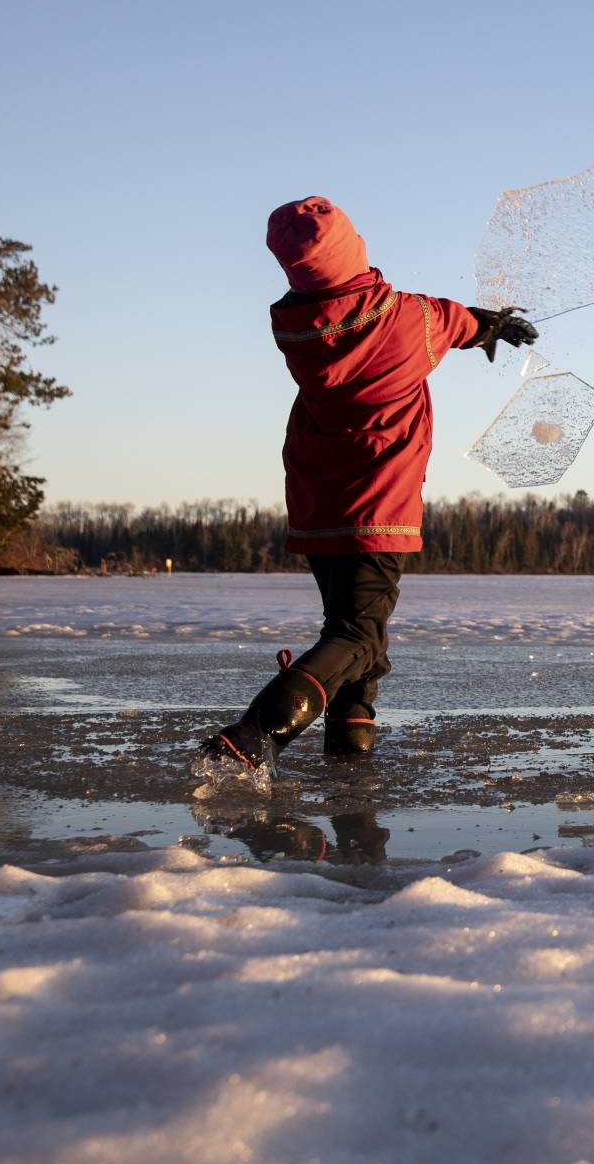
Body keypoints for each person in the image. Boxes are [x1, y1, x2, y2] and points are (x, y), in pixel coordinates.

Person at [201, 196, 535, 770]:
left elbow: (444, 319)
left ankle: (350, 757)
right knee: (358, 639)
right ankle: (257, 732)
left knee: (356, 635)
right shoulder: (407, 317)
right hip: (379, 505)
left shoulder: (296, 328)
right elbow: (457, 321)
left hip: (317, 502)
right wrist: (491, 326)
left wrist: (475, 326)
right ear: (353, 250)